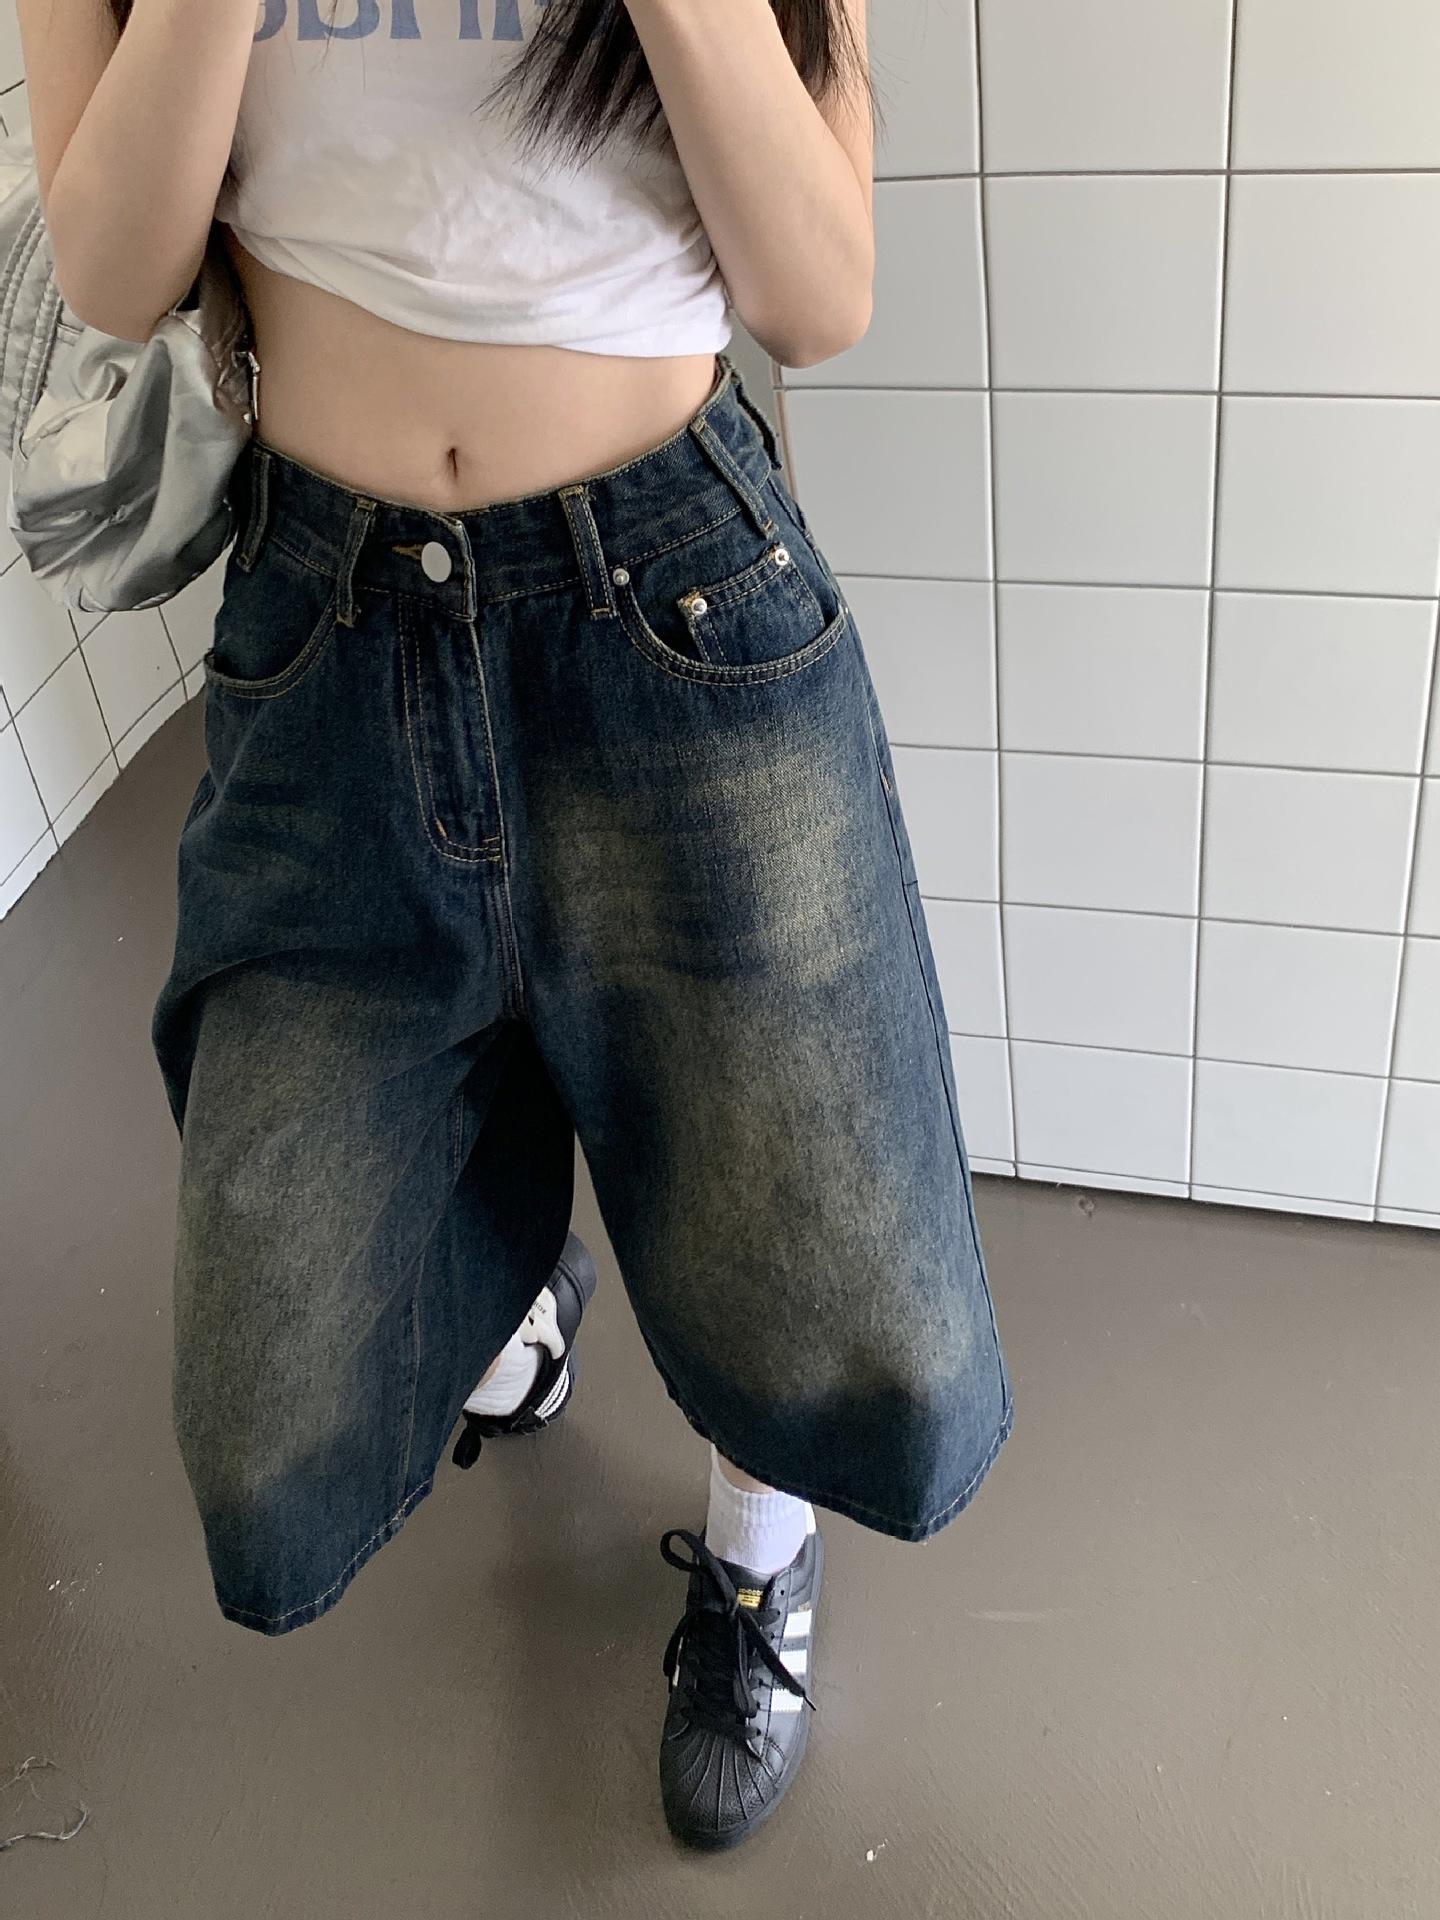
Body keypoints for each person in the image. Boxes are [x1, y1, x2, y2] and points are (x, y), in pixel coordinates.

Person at [19, 0, 1014, 1851]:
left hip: (676, 597)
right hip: (329, 624)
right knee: (267, 1415)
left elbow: (817, 296)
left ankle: (755, 1558)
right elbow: (115, 266)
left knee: (793, 1234)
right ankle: (517, 1286)